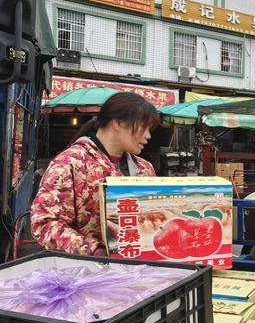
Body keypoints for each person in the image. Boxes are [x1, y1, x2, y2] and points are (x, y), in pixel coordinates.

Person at [31, 92, 159, 255]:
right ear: (118, 122)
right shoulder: (70, 163)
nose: (148, 136)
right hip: (86, 272)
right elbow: (44, 223)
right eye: (144, 127)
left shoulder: (145, 168)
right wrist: (93, 251)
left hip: (141, 267)